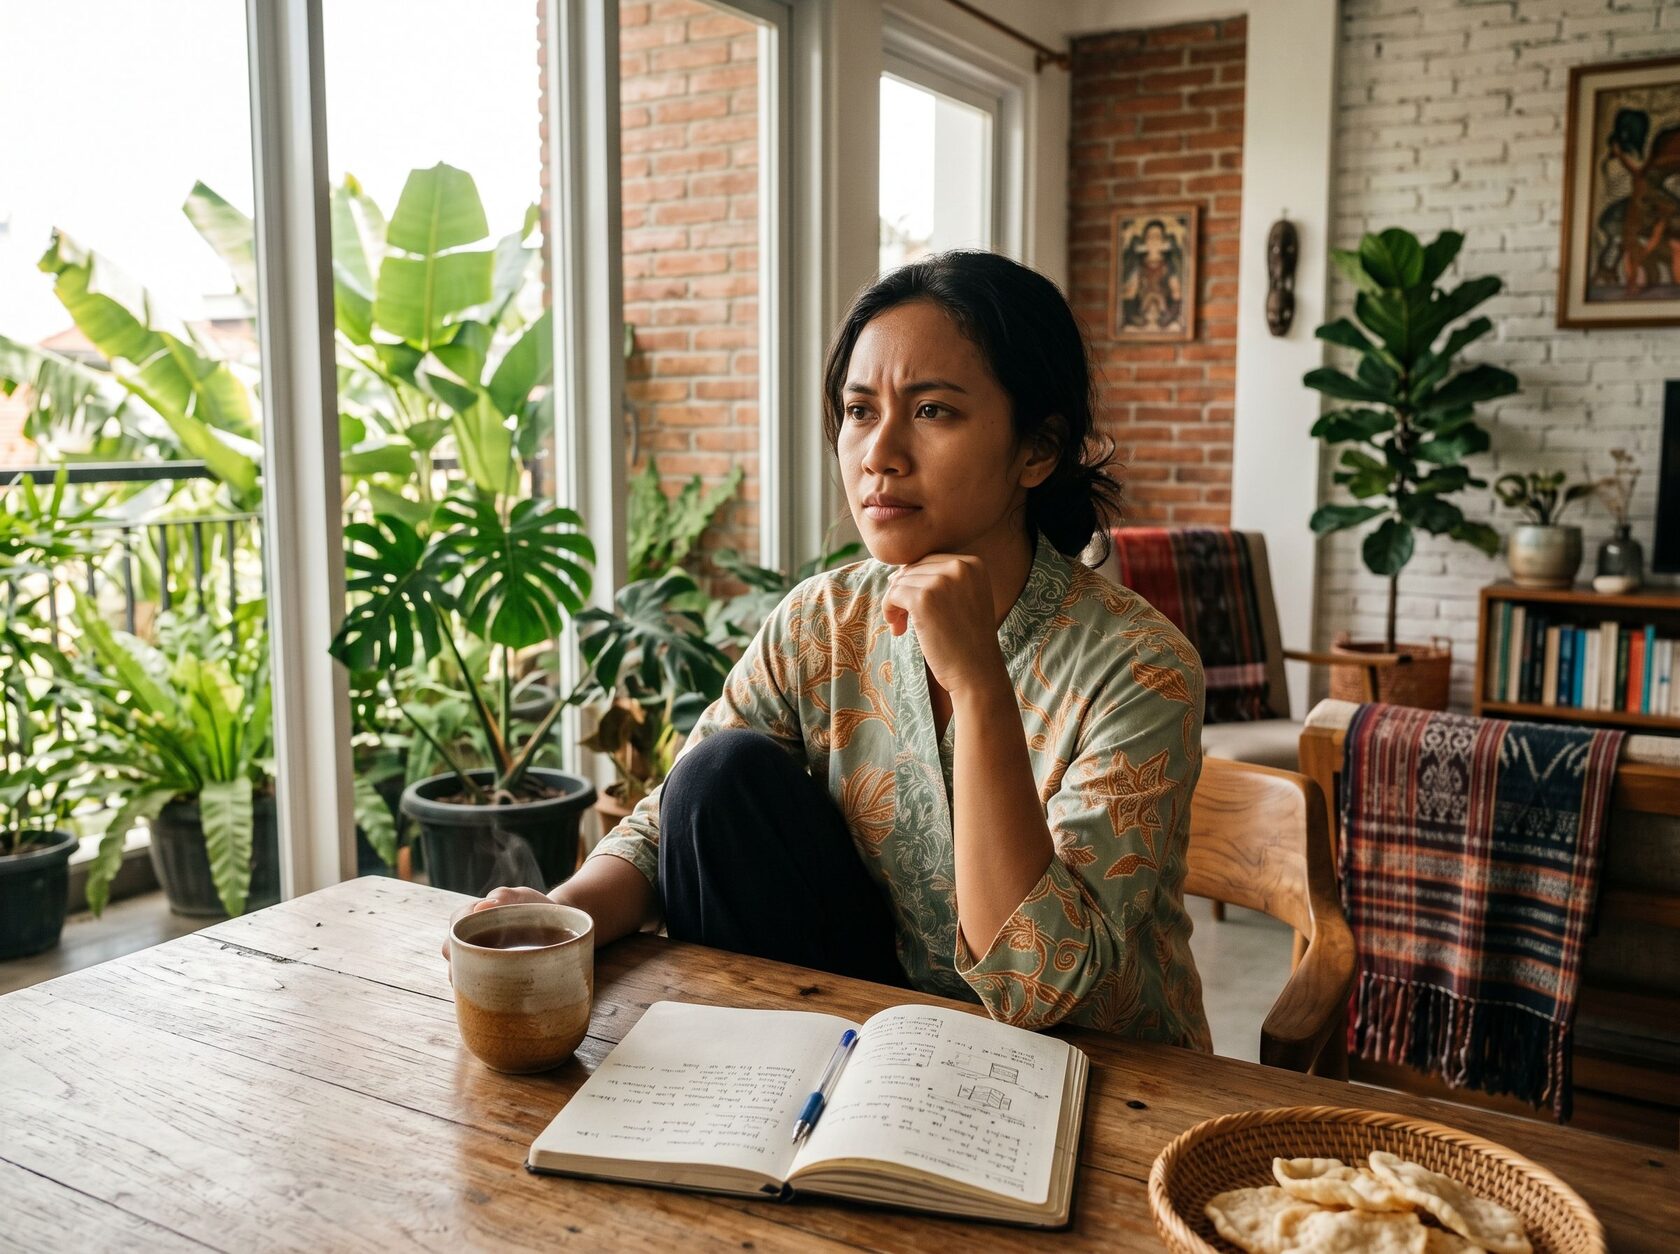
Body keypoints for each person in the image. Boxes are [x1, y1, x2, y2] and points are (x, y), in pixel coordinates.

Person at [456, 250, 1209, 1047]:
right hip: (878, 1040)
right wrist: (560, 915)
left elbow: (1037, 984)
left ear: (1037, 448)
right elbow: (669, 821)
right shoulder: (824, 620)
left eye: (932, 412)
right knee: (718, 777)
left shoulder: (1139, 666)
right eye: (858, 410)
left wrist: (980, 682)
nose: (878, 453)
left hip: (1091, 1070)